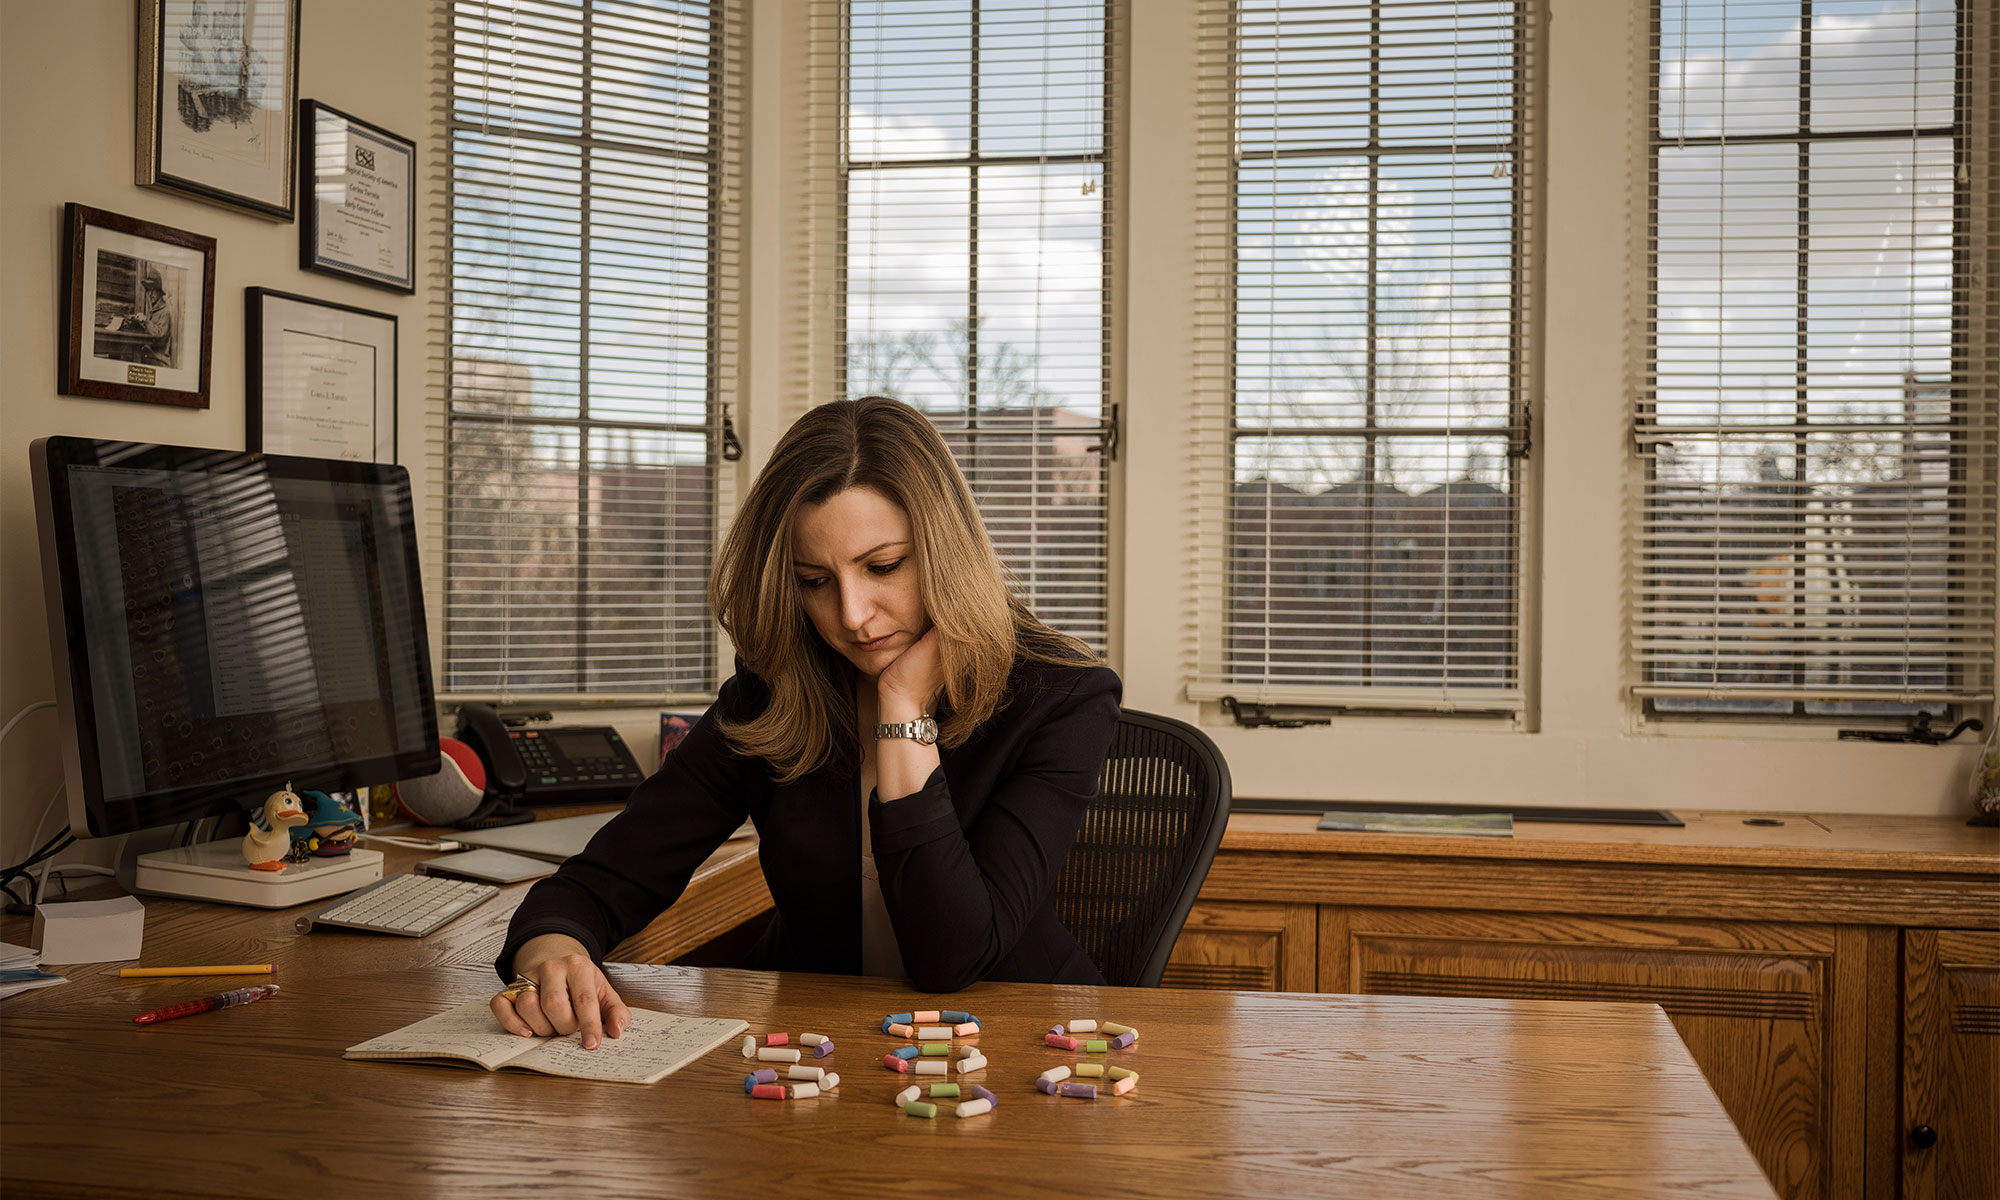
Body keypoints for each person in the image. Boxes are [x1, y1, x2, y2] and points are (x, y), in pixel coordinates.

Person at [491, 395, 1122, 1048]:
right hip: (819, 1044)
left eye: (883, 567)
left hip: (1017, 1047)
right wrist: (550, 953)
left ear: (946, 553)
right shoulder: (775, 694)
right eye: (814, 580)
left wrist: (903, 713)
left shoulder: (1061, 697)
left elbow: (951, 958)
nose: (851, 614)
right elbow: (602, 882)